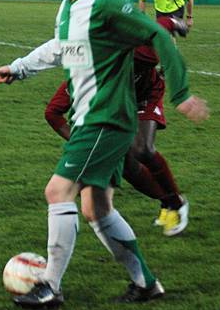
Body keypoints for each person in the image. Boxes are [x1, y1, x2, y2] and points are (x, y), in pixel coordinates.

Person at [0, 0, 209, 307]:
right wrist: (20, 67)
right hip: (89, 118)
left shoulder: (106, 5)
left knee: (57, 192)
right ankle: (146, 284)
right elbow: (59, 48)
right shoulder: (66, 8)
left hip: (105, 118)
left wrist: (181, 92)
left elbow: (158, 33)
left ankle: (49, 287)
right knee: (96, 208)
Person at [44, 16, 190, 237]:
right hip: (117, 107)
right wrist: (80, 141)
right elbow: (53, 113)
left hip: (146, 96)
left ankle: (177, 204)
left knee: (142, 149)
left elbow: (160, 25)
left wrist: (177, 24)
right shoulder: (84, 74)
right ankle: (169, 202)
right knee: (128, 167)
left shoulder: (138, 49)